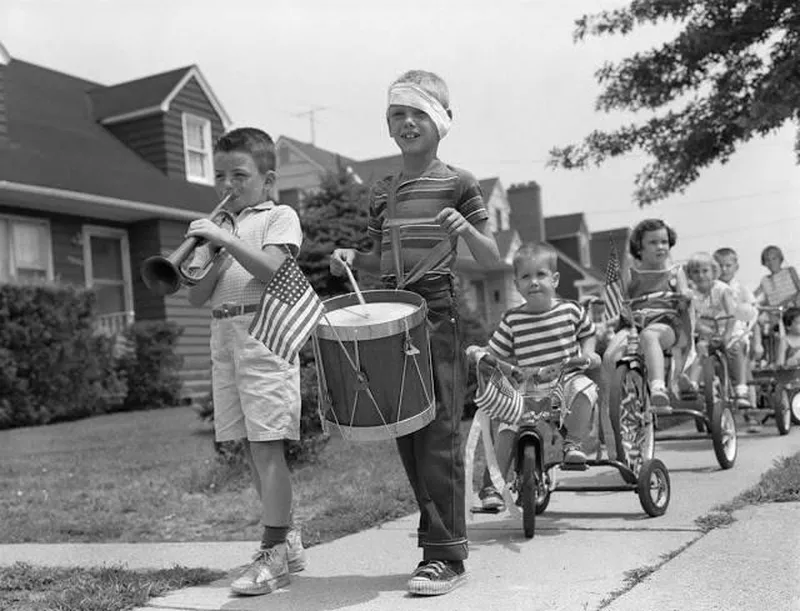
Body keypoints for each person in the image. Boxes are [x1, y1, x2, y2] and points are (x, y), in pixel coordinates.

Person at [330, 69, 501, 596]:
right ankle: (435, 546)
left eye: (417, 113)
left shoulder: (459, 182)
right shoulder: (384, 191)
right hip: (388, 307)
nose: (406, 123)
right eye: (396, 115)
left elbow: (493, 259)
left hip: (437, 310)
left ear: (441, 122)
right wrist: (348, 258)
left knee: (440, 435)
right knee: (406, 431)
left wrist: (466, 229)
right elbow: (376, 256)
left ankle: (446, 557)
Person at [185, 127, 306, 597]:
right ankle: (288, 538)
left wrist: (224, 238)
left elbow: (273, 269)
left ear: (268, 179)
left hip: (263, 333)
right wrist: (210, 251)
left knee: (267, 446)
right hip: (224, 334)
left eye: (240, 174)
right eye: (220, 175)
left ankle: (273, 552)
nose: (227, 184)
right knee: (250, 448)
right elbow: (196, 296)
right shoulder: (220, 228)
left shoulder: (280, 216)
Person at [478, 243, 600, 503]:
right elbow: (495, 352)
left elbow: (588, 332)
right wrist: (481, 354)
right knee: (508, 425)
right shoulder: (512, 320)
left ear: (554, 279)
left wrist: (589, 354)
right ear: (516, 284)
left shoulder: (570, 310)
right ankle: (494, 485)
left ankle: (573, 444)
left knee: (585, 388)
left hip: (565, 379)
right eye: (525, 277)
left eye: (540, 275)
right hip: (528, 385)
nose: (533, 282)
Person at [601, 219, 693, 415]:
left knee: (649, 337)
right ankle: (624, 396)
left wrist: (685, 295)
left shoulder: (675, 272)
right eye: (653, 242)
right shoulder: (631, 273)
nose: (660, 247)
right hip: (634, 325)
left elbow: (685, 293)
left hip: (666, 324)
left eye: (664, 242)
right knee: (610, 356)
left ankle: (658, 387)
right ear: (639, 248)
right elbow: (622, 299)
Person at [679, 252, 751, 408]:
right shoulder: (693, 295)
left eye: (705, 271)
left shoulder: (722, 289)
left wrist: (726, 335)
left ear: (713, 272)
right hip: (708, 331)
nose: (701, 275)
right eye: (695, 272)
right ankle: (693, 384)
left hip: (728, 328)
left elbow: (731, 315)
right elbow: (693, 318)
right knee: (700, 349)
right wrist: (703, 329)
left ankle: (741, 390)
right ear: (690, 274)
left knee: (735, 348)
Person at [714, 247, 761, 402]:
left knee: (744, 370)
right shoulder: (713, 289)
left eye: (728, 265)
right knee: (718, 370)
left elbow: (753, 317)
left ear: (736, 267)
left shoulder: (741, 289)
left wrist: (758, 343)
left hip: (738, 334)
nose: (724, 269)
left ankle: (751, 409)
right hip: (717, 332)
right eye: (720, 265)